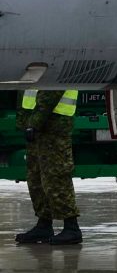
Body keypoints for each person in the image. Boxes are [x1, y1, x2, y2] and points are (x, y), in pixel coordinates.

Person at [15, 88, 82, 245]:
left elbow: (52, 91)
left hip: (55, 123)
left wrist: (34, 121)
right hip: (39, 122)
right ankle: (44, 224)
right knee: (36, 177)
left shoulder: (55, 64)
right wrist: (27, 121)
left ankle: (71, 227)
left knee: (56, 175)